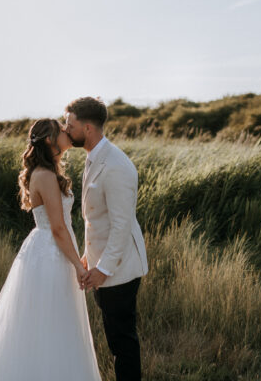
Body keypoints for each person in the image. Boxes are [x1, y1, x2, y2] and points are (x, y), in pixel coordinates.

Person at [0, 118, 101, 381]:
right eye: (61, 131)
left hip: (54, 250)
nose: (67, 133)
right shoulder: (44, 175)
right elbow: (58, 228)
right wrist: (78, 265)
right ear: (49, 140)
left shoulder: (48, 172)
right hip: (50, 254)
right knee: (48, 322)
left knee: (56, 321)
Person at [64, 96, 149, 381]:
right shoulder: (93, 158)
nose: (66, 129)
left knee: (123, 343)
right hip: (102, 264)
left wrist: (102, 270)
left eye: (70, 124)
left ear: (87, 128)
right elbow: (97, 220)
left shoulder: (116, 165)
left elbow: (121, 226)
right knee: (115, 339)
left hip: (119, 269)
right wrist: (89, 258)